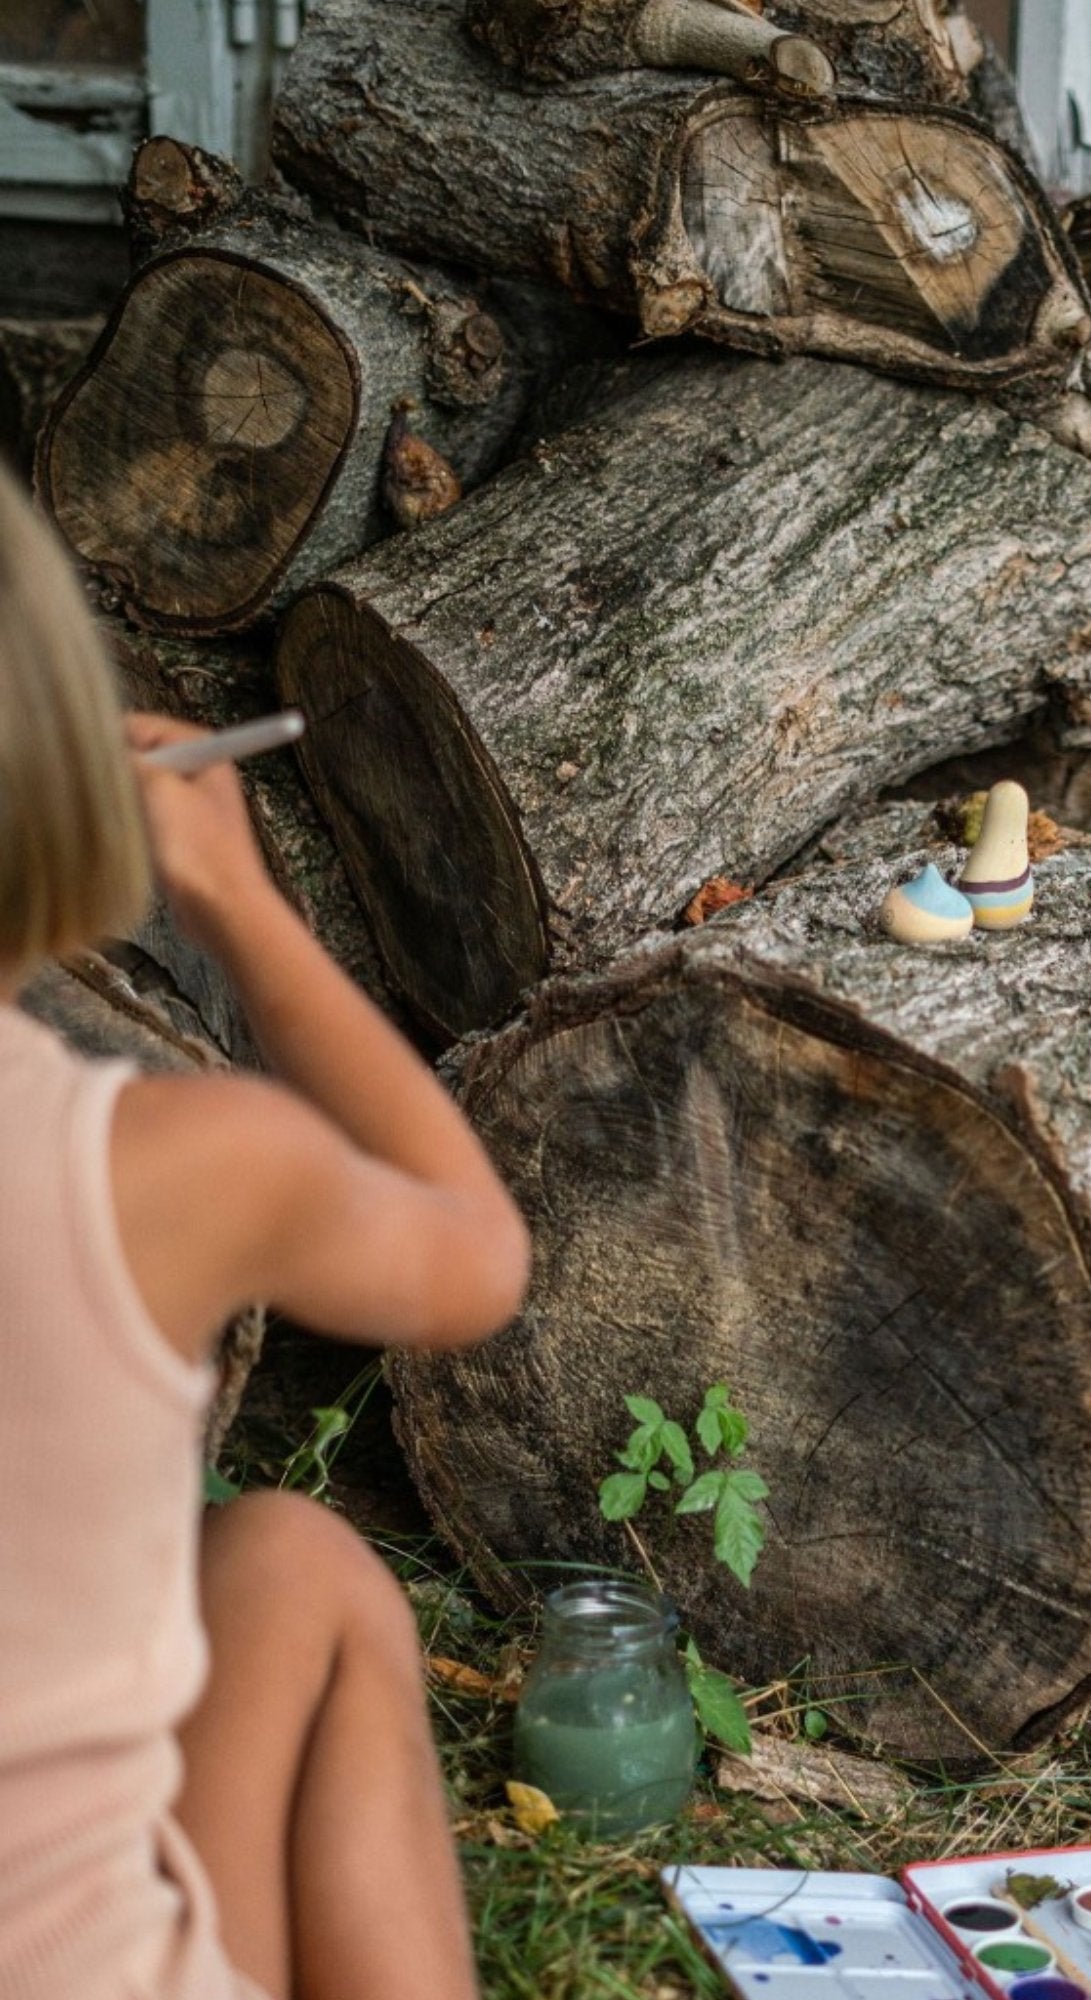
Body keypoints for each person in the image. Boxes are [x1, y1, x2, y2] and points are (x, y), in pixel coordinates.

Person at [0, 463, 531, 1999]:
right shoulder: (168, 1168)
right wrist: (237, 897)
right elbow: (473, 1256)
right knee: (308, 1570)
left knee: (276, 1559)